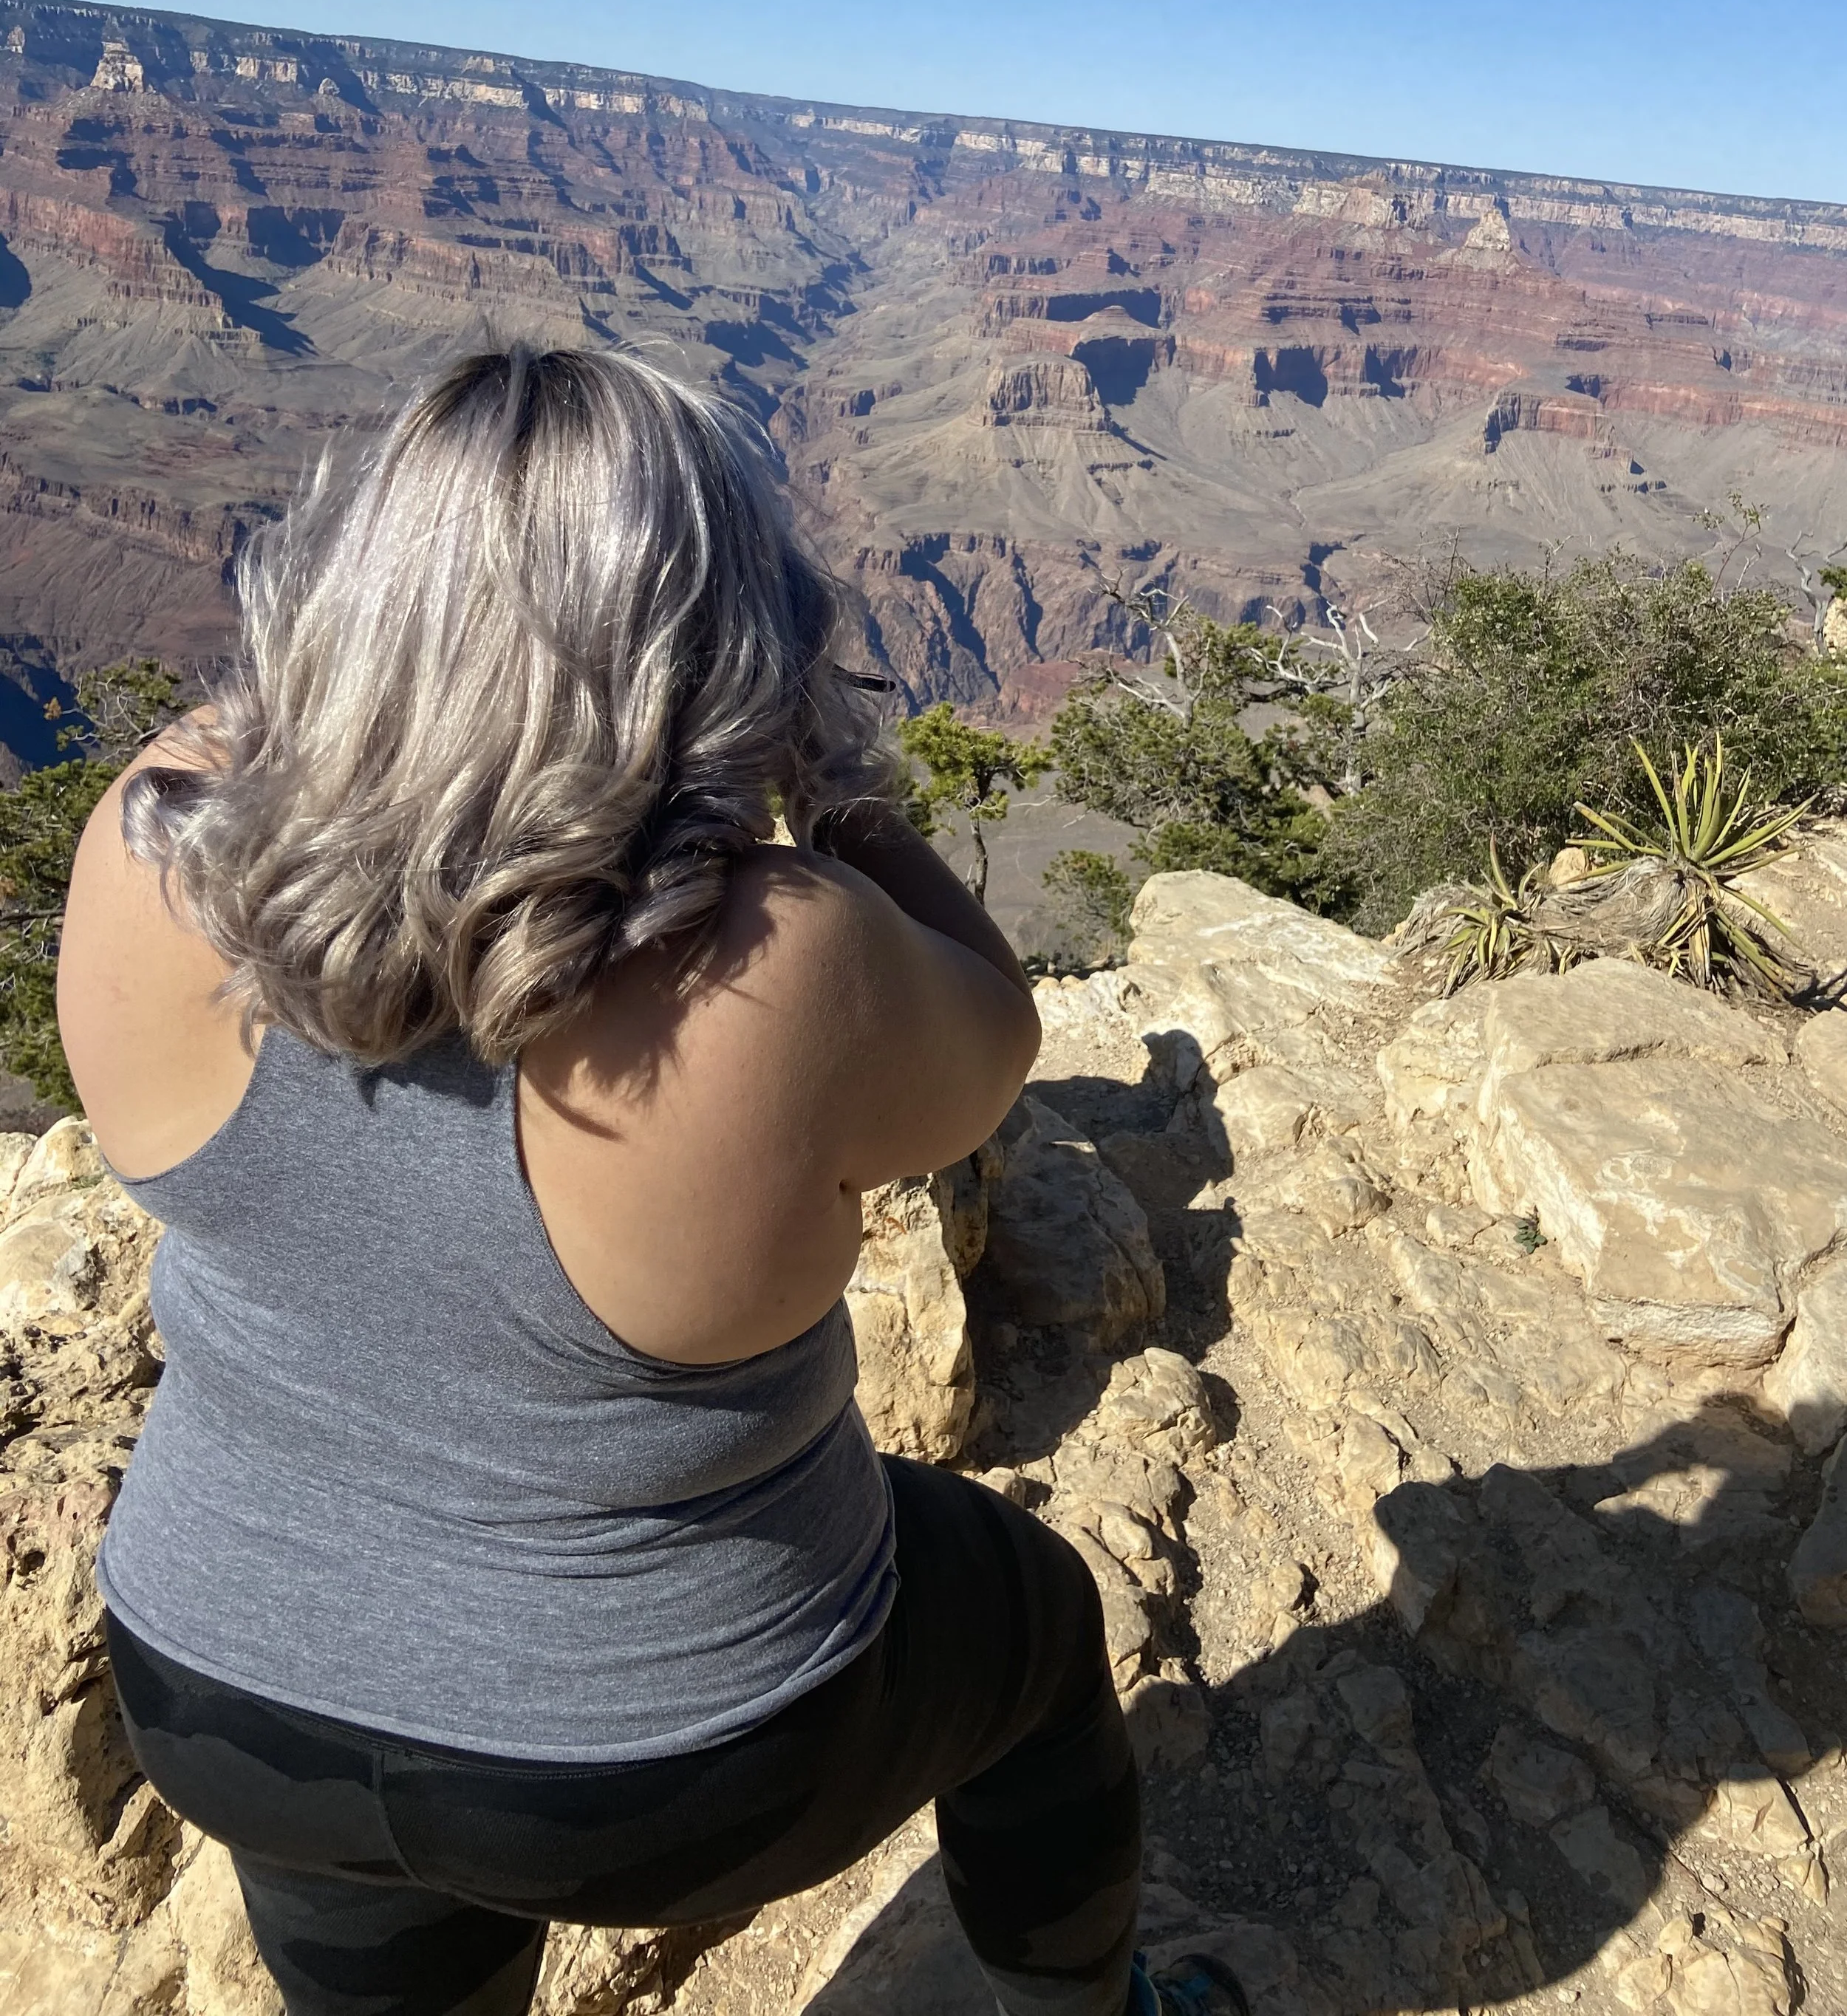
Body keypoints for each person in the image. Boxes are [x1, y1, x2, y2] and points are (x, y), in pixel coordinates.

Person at [58, 346, 1240, 2016]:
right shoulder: (772, 963)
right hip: (659, 1753)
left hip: (220, 1683)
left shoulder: (155, 836)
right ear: (713, 628)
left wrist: (428, 714)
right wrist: (831, 790)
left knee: (380, 1916)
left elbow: (328, 763)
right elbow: (992, 1035)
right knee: (1037, 1631)